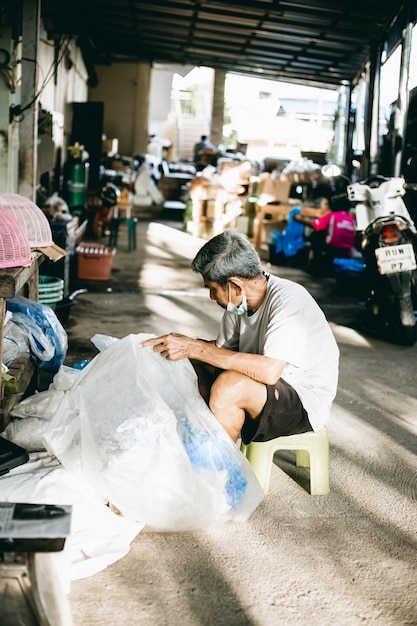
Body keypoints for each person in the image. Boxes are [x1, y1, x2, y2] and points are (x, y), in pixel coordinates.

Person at [141, 230, 339, 445]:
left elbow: (269, 371)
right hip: (262, 388)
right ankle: (197, 444)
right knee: (189, 367)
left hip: (302, 399)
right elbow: (219, 352)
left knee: (229, 385)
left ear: (235, 285)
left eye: (213, 289)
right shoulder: (237, 304)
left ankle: (220, 471)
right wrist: (175, 348)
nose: (211, 296)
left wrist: (195, 347)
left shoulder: (289, 301)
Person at [294, 196, 356, 275]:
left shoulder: (333, 215)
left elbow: (315, 225)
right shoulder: (350, 219)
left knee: (316, 235)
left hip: (333, 248)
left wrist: (299, 219)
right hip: (347, 250)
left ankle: (315, 267)